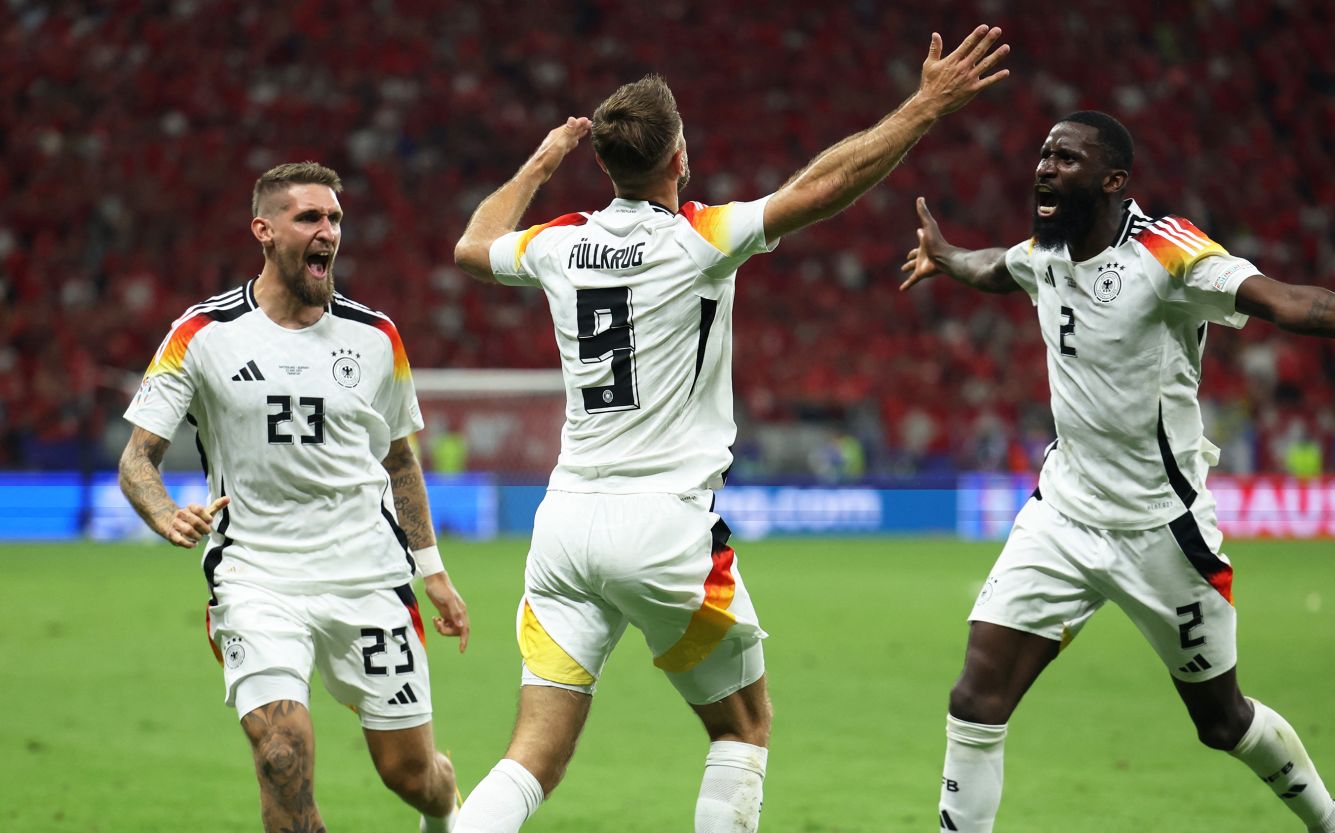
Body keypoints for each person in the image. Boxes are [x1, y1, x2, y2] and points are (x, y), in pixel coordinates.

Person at [449, 26, 1011, 833]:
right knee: (742, 727)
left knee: (532, 755)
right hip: (664, 525)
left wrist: (542, 160)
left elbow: (471, 244)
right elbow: (826, 185)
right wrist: (926, 104)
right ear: (680, 157)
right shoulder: (697, 240)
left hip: (564, 522)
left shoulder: (559, 244)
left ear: (603, 165)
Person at [899, 110, 1335, 832]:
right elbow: (997, 267)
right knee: (975, 698)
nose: (1045, 167)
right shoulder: (1046, 252)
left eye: (1067, 158)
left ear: (1113, 180)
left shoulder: (1168, 253)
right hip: (1063, 514)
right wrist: (946, 254)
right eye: (1044, 154)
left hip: (1163, 534)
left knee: (1222, 720)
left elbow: (1287, 301)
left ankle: (1334, 822)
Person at [118, 162, 472, 833]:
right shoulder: (202, 334)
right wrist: (164, 511)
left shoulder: (375, 337)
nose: (328, 231)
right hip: (258, 576)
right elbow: (138, 457)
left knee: (411, 774)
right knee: (282, 751)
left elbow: (400, 462)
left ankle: (446, 805)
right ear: (265, 230)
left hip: (368, 575)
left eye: (335, 218)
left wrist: (435, 574)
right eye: (310, 217)